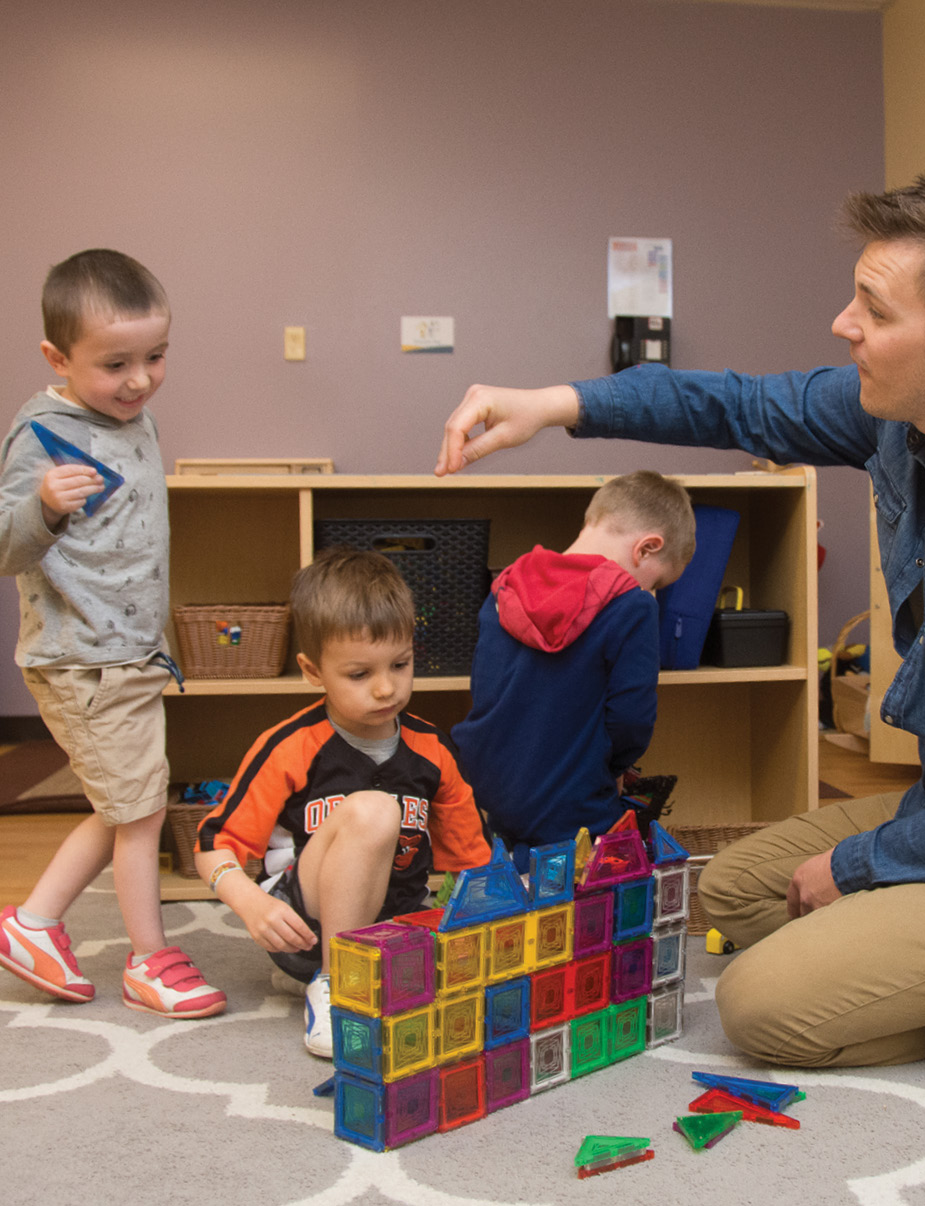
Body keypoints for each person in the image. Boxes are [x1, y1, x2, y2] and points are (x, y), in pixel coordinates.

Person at [434, 172, 925, 1073]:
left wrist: (859, 865)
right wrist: (553, 406)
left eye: (872, 308)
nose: (844, 324)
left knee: (762, 1010)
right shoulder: (909, 421)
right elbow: (739, 404)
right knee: (728, 896)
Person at [0, 249, 226, 1019]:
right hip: (81, 661)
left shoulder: (139, 419)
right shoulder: (41, 432)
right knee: (140, 813)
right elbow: (6, 546)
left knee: (124, 802)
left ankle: (32, 924)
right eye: (114, 364)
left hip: (130, 656)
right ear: (57, 359)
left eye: (155, 357)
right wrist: (43, 507)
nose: (138, 380)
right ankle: (151, 960)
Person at [194, 547, 491, 1057]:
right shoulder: (289, 745)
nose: (386, 688)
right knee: (375, 809)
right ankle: (336, 983)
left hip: (393, 927)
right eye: (360, 674)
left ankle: (345, 973)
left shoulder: (434, 750)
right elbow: (211, 844)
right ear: (313, 671)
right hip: (301, 928)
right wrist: (251, 902)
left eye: (400, 664)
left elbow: (472, 863)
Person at [452, 470, 695, 869]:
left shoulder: (505, 588)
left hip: (487, 794)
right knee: (607, 895)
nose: (651, 592)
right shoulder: (633, 607)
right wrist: (618, 769)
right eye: (657, 582)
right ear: (646, 549)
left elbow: (484, 690)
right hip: (575, 808)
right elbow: (631, 718)